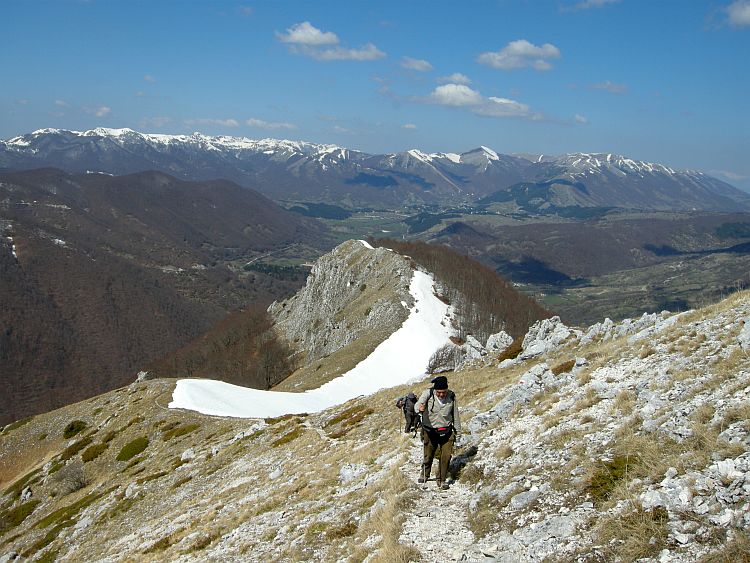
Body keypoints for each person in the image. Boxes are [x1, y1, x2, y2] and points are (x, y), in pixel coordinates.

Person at [415, 375, 461, 490]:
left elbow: (455, 415)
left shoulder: (451, 396)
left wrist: (458, 432)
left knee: (446, 456)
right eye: (439, 392)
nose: (441, 394)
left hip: (446, 430)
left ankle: (442, 479)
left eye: (443, 392)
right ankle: (425, 474)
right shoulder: (428, 394)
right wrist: (419, 408)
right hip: (430, 431)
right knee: (428, 455)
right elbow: (418, 405)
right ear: (435, 390)